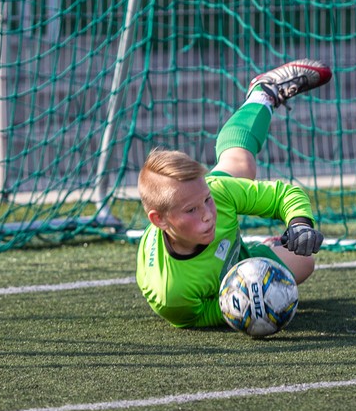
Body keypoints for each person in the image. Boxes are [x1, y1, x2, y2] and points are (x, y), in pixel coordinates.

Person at [135, 59, 332, 328]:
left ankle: (264, 92)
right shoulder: (172, 293)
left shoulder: (215, 192)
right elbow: (200, 316)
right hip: (222, 277)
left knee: (242, 165)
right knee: (302, 264)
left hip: (231, 249)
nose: (208, 215)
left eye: (206, 200)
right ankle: (264, 248)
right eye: (192, 210)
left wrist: (299, 223)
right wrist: (243, 303)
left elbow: (283, 194)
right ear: (159, 220)